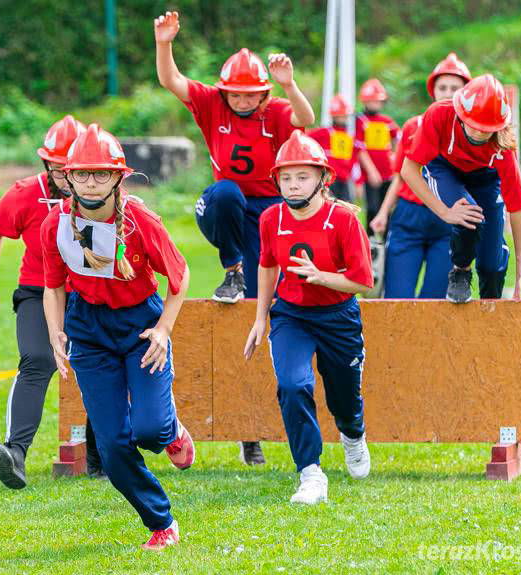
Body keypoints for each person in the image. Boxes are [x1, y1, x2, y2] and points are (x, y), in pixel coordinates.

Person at [155, 9, 315, 465]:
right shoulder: (211, 105)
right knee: (222, 194)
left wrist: (289, 85)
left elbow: (305, 117)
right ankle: (233, 269)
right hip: (232, 209)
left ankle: (256, 427)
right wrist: (165, 43)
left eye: (251, 95)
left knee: (266, 318)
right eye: (236, 94)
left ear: (262, 93)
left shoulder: (276, 110)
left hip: (272, 212)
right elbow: (173, 81)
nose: (242, 101)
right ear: (225, 91)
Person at [42, 123, 195, 551]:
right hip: (88, 331)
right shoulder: (55, 223)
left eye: (101, 174)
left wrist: (163, 330)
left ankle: (171, 431)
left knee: (149, 431)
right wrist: (56, 332)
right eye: (82, 174)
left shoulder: (141, 219)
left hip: (140, 325)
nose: (91, 182)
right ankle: (161, 522)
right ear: (66, 177)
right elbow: (53, 286)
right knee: (110, 447)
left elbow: (179, 278)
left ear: (119, 177)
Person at [0, 115, 106, 488]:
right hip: (36, 289)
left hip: (89, 290)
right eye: (58, 168)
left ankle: (101, 455)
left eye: (74, 168)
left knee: (100, 363)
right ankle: (14, 453)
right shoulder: (24, 193)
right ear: (46, 164)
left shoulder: (103, 196)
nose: (67, 176)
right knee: (37, 359)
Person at [244, 131, 373, 504]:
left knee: (344, 399)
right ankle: (310, 473)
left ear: (323, 179)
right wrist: (259, 318)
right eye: (286, 177)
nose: (293, 184)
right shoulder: (271, 218)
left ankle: (353, 434)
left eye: (302, 176)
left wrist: (322, 277)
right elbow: (267, 265)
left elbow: (363, 281)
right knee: (293, 385)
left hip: (338, 316)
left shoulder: (344, 219)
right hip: (292, 316)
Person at [400, 74, 521, 303]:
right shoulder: (439, 114)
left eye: (487, 129)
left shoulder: (503, 145)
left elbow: (517, 207)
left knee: (491, 265)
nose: (480, 133)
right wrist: (445, 212)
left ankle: (490, 307)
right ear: (461, 115)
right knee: (468, 215)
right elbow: (408, 170)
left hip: (485, 180)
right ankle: (460, 270)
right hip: (445, 169)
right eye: (474, 126)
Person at [370, 53, 472, 298]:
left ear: (466, 92)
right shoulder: (414, 126)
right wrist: (383, 213)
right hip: (409, 217)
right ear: (433, 91)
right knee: (397, 296)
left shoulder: (473, 131)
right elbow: (400, 177)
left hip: (447, 217)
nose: (448, 92)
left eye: (454, 88)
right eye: (442, 87)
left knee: (434, 300)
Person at [355, 78, 399, 231]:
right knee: (372, 208)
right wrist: (372, 171)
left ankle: (386, 243)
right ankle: (371, 243)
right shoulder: (360, 120)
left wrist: (395, 160)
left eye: (377, 101)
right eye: (371, 101)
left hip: (388, 173)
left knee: (387, 209)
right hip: (370, 176)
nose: (375, 104)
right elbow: (359, 149)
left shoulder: (387, 121)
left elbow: (397, 140)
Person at [308, 94, 359, 203]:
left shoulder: (350, 136)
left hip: (345, 179)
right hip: (329, 179)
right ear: (333, 116)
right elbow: (304, 138)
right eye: (340, 115)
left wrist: (357, 180)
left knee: (347, 207)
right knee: (328, 206)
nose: (344, 118)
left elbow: (354, 158)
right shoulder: (324, 132)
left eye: (345, 115)